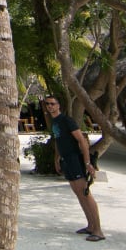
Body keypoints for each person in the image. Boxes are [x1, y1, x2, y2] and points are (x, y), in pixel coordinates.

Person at [45, 94, 105, 242]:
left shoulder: (67, 121)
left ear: (58, 106)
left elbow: (82, 141)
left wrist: (87, 163)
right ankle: (90, 226)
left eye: (53, 103)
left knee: (85, 193)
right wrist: (57, 159)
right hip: (66, 160)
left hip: (75, 160)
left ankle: (98, 230)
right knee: (79, 194)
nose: (50, 106)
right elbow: (59, 142)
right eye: (47, 104)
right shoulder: (54, 123)